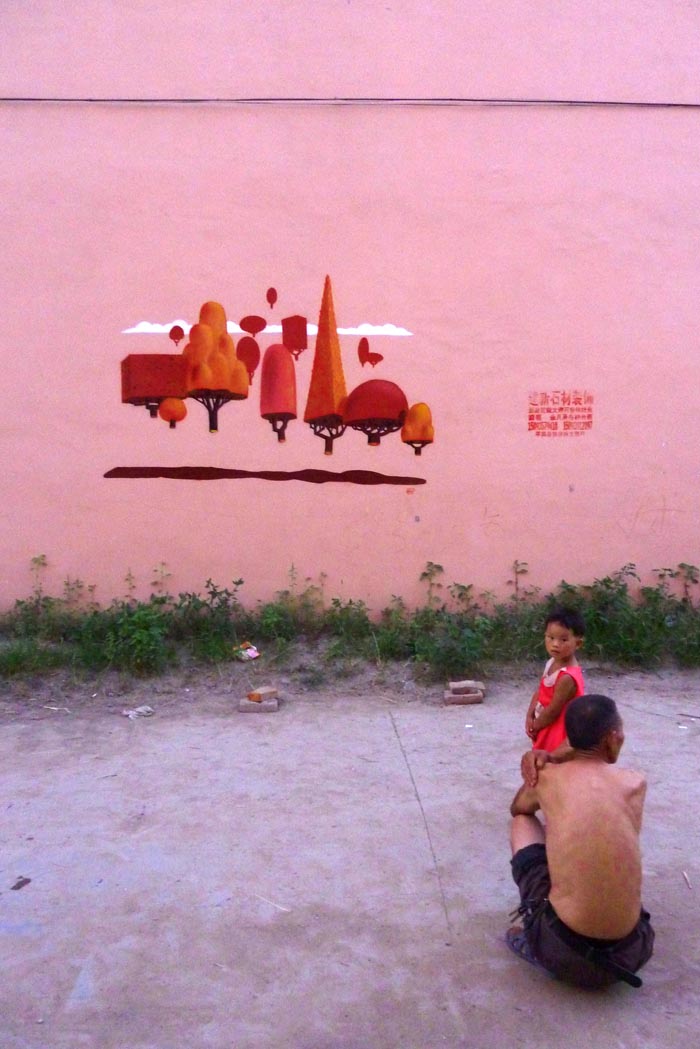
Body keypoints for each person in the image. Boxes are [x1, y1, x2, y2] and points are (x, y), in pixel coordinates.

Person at [507, 694, 655, 988]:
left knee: (522, 822)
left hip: (562, 952)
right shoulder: (635, 783)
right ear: (612, 738)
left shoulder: (549, 778)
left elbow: (518, 807)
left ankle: (536, 938)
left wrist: (551, 759)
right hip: (632, 953)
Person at [525, 607, 585, 752]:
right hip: (544, 721)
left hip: (557, 728)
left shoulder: (567, 677)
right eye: (551, 637)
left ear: (578, 644)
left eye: (563, 639)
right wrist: (529, 715)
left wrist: (536, 726)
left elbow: (553, 711)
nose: (555, 644)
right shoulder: (552, 662)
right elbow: (540, 690)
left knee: (551, 758)